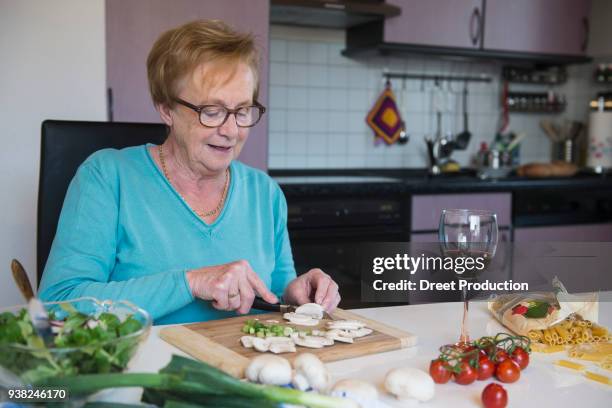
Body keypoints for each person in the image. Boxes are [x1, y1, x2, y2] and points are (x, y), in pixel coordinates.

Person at [39, 20, 340, 324]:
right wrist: (191, 282)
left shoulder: (265, 193)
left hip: (239, 368)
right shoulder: (106, 177)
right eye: (211, 112)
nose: (231, 130)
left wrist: (294, 294)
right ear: (166, 109)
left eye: (242, 110)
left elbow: (271, 296)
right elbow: (58, 304)